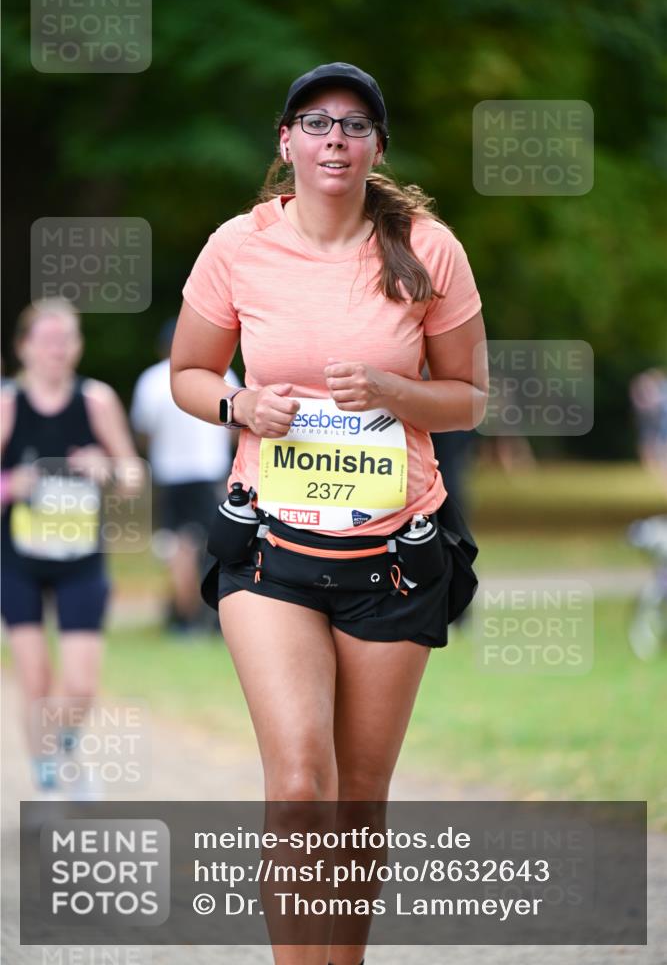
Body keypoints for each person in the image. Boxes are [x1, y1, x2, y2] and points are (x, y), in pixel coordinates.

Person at [171, 62, 488, 965]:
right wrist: (239, 407)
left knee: (354, 802)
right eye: (315, 123)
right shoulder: (238, 246)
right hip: (271, 549)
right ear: (286, 143)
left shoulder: (427, 247)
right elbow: (188, 375)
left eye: (354, 125)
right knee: (302, 786)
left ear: (377, 146)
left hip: (394, 556)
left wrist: (394, 389)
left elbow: (468, 398)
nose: (334, 139)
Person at [1, 299, 141, 798]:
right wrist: (10, 484)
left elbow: (132, 474)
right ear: (24, 347)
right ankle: (47, 780)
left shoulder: (96, 400)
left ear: (78, 347)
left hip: (81, 559)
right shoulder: (8, 404)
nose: (57, 350)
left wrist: (107, 467)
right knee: (35, 676)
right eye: (47, 340)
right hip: (17, 561)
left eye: (66, 340)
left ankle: (59, 747)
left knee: (79, 686)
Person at [131, 319, 241, 633]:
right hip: (211, 470)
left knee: (179, 546)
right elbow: (235, 429)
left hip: (171, 473)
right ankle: (220, 612)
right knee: (219, 543)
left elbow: (144, 432)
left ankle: (187, 617)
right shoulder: (222, 375)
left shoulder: (151, 381)